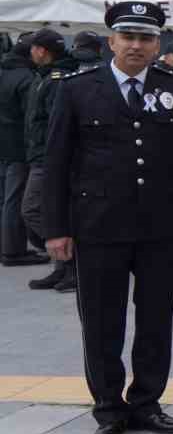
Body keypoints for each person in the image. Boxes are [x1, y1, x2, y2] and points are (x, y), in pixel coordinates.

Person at [43, 2, 173, 434]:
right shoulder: (78, 88)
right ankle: (109, 410)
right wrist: (56, 228)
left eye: (146, 38)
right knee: (101, 323)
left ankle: (146, 402)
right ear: (111, 41)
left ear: (158, 44)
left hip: (158, 227)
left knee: (156, 320)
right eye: (128, 37)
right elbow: (56, 162)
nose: (137, 45)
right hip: (98, 227)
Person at [23, 31, 100, 291]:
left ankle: (73, 261)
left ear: (42, 50)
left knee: (32, 209)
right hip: (39, 155)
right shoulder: (45, 76)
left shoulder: (57, 80)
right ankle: (63, 267)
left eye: (33, 48)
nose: (30, 52)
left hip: (49, 157)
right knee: (45, 210)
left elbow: (60, 126)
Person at [0, 32, 47, 266]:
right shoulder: (27, 78)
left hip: (5, 142)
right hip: (19, 145)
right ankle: (12, 251)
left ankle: (10, 247)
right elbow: (31, 117)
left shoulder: (5, 71)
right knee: (16, 198)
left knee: (7, 197)